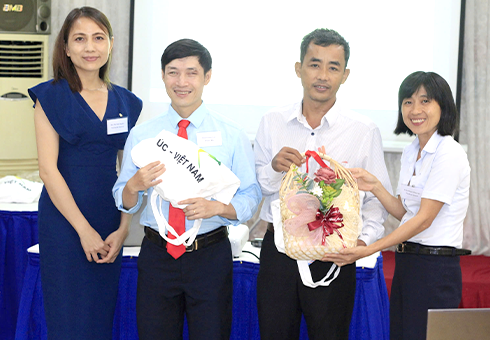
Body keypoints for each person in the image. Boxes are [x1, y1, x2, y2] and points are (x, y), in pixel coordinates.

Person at [113, 38, 261, 340]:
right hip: (157, 254)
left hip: (209, 255)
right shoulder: (143, 135)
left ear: (207, 77)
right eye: (173, 72)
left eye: (191, 73)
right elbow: (123, 200)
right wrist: (133, 185)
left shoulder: (231, 134)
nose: (181, 82)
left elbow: (251, 194)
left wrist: (219, 208)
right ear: (163, 76)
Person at [254, 28, 392, 340]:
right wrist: (276, 169)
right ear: (298, 68)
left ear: (345, 75)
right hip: (280, 252)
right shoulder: (271, 122)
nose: (323, 75)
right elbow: (259, 189)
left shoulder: (363, 130)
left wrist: (360, 243)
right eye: (315, 64)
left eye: (333, 67)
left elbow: (374, 200)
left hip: (333, 252)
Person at [324, 71, 471, 340]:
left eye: (425, 101)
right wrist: (376, 186)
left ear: (443, 106)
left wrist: (368, 249)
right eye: (408, 101)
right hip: (408, 264)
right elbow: (406, 213)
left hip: (435, 269)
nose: (415, 110)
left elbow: (424, 220)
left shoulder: (449, 153)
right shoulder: (411, 150)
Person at [29, 6, 142, 340]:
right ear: (65, 46)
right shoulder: (49, 96)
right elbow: (48, 172)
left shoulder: (128, 102)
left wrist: (123, 229)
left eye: (98, 38)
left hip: (109, 218)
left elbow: (130, 173)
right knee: (68, 320)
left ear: (110, 44)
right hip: (64, 222)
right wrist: (83, 231)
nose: (90, 47)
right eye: (80, 39)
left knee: (99, 316)